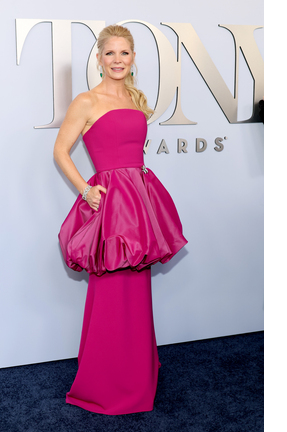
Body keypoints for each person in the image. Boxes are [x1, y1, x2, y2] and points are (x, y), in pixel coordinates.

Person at [54, 24, 188, 415]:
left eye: (124, 54)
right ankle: (105, 381)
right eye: (109, 54)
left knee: (136, 289)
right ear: (98, 59)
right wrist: (85, 189)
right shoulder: (86, 101)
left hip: (139, 200)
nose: (117, 60)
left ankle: (136, 375)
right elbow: (61, 151)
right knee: (111, 290)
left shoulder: (134, 97)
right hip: (110, 204)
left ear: (133, 58)